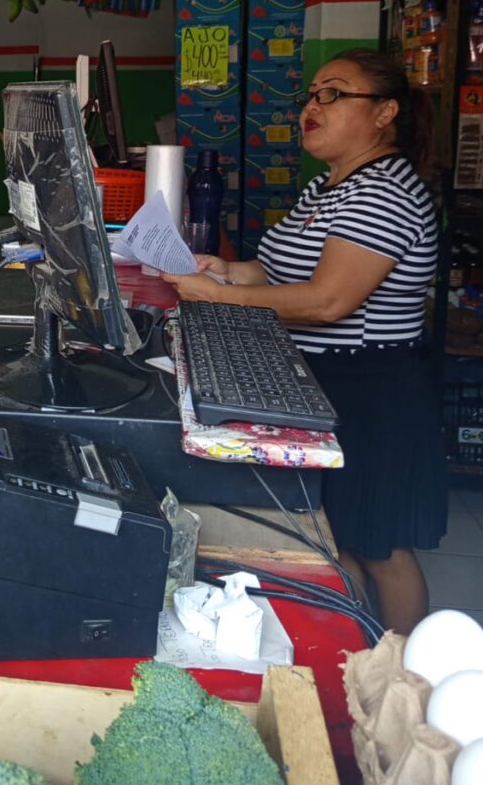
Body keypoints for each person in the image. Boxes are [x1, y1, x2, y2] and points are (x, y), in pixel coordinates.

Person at [163, 49, 447, 635]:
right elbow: (274, 272)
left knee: (380, 547)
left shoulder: (386, 190)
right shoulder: (330, 187)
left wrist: (213, 296)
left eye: (334, 95)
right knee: (336, 535)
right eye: (311, 95)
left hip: (373, 391)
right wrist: (220, 268)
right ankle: (357, 653)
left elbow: (327, 300)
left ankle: (401, 683)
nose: (313, 107)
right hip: (328, 383)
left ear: (384, 112)